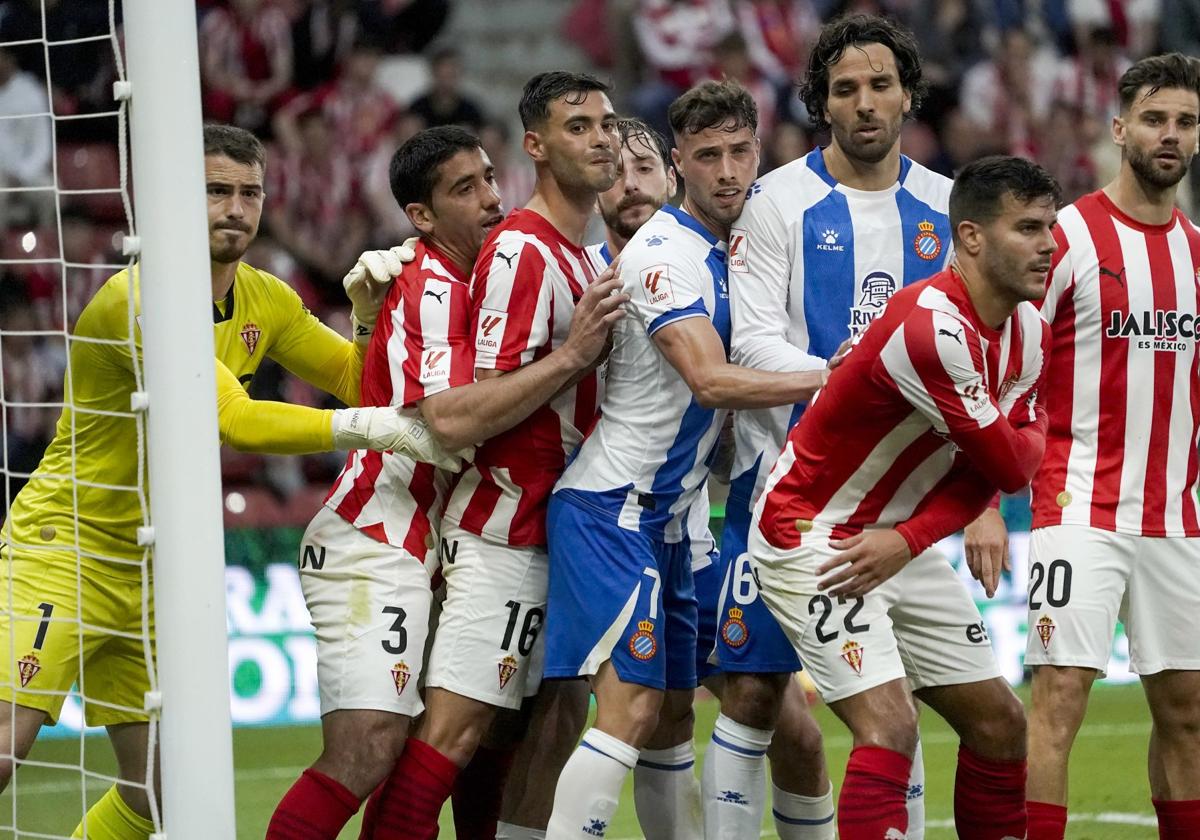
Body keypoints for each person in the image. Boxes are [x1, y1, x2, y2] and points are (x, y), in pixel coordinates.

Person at [0, 123, 452, 840]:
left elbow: (360, 381)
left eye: (248, 192)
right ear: (177, 199)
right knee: (5, 748)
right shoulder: (139, 300)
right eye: (216, 191)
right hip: (66, 546)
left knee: (156, 793)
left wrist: (369, 320)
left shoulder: (264, 297)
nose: (235, 207)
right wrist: (369, 429)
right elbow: (234, 419)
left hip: (153, 564)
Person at [266, 125, 625, 839]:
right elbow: (452, 423)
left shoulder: (479, 278)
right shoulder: (429, 284)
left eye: (491, 178)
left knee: (481, 731)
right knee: (370, 745)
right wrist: (573, 356)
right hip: (378, 535)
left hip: (436, 540)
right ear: (421, 217)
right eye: (466, 188)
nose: (492, 198)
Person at [542, 79, 827, 840]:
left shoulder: (736, 247)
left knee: (673, 714)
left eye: (740, 152)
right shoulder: (664, 256)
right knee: (631, 709)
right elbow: (708, 378)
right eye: (709, 156)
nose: (728, 170)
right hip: (613, 509)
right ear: (682, 165)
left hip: (674, 524)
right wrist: (843, 374)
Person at [709, 15, 969, 838]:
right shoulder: (776, 200)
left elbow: (974, 355)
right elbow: (749, 338)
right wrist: (854, 376)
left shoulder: (948, 206)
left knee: (900, 700)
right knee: (752, 694)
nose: (865, 104)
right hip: (787, 491)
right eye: (845, 89)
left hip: (900, 504)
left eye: (880, 85)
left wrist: (987, 502)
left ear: (907, 95)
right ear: (821, 102)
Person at [749, 154, 1059, 840]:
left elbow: (990, 475)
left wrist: (910, 539)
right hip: (813, 534)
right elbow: (1012, 462)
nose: (1048, 245)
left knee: (1002, 725)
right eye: (1029, 228)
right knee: (889, 725)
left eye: (1052, 227)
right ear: (972, 237)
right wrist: (1027, 438)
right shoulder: (931, 329)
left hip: (896, 536)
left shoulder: (1028, 330)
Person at [497, 116, 714, 840]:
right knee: (588, 708)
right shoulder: (578, 276)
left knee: (672, 711)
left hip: (678, 520)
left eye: (644, 168)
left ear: (672, 176)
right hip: (596, 509)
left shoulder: (712, 261)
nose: (630, 185)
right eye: (614, 171)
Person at [1023, 53, 1200, 840]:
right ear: (1119, 127)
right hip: (1079, 504)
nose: (1170, 135)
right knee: (1059, 696)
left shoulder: (1199, 252)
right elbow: (1014, 369)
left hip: (1178, 518)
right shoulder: (1066, 236)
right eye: (1155, 119)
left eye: (1186, 122)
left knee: (1188, 710)